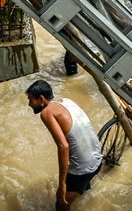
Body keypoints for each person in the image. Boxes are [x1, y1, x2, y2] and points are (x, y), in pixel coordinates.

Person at [25, 80, 102, 210]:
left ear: (41, 99)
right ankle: (83, 189)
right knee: (80, 187)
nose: (29, 104)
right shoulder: (67, 101)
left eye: (31, 100)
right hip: (98, 157)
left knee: (61, 204)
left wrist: (62, 185)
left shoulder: (47, 113)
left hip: (83, 169)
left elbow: (63, 147)